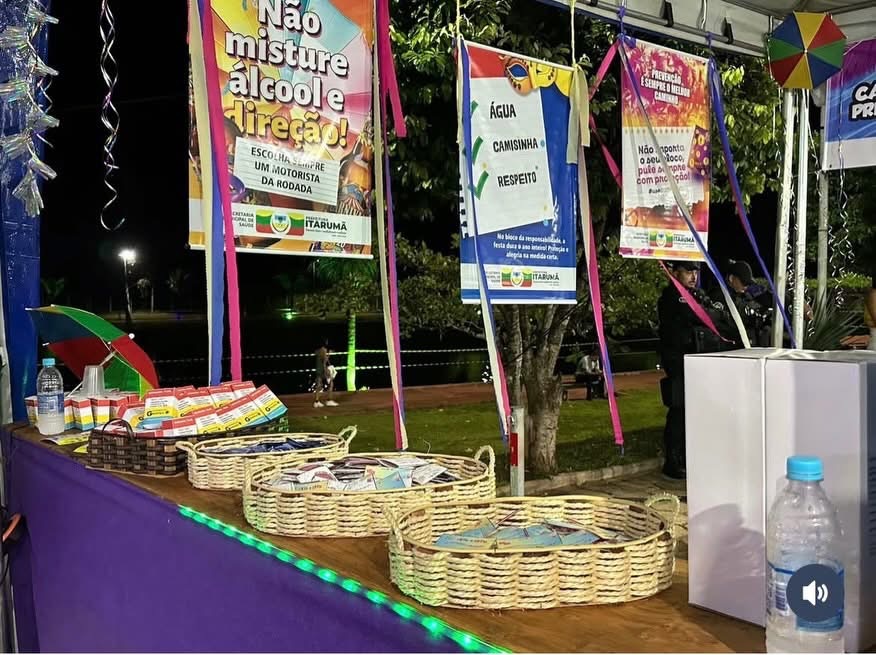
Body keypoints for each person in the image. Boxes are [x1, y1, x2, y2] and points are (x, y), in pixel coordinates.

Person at [657, 261, 734, 480]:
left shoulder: (696, 295)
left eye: (695, 271)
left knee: (696, 411)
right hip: (678, 361)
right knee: (679, 411)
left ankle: (688, 456)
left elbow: (722, 319)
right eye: (688, 271)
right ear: (675, 273)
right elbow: (701, 315)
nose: (693, 276)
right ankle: (673, 461)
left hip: (697, 359)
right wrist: (710, 315)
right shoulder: (672, 297)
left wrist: (710, 314)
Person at [724, 259, 774, 347]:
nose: (745, 286)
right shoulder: (722, 295)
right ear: (731, 279)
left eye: (747, 283)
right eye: (743, 282)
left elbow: (769, 301)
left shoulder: (746, 294)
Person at [313, 340, 338, 408]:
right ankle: (329, 400)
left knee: (319, 386)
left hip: (318, 369)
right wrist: (329, 354)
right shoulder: (323, 350)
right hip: (322, 370)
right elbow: (324, 361)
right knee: (331, 383)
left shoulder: (317, 351)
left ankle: (316, 401)